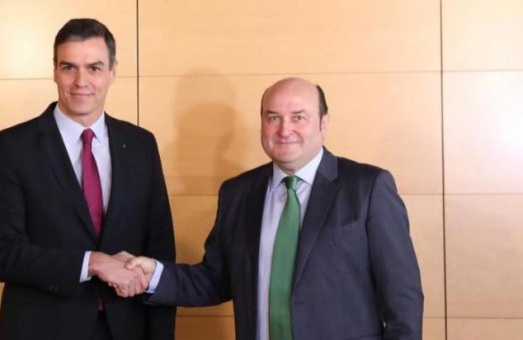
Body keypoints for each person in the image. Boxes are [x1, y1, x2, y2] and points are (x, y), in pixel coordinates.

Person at [127, 77, 424, 340]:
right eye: (273, 117)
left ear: (323, 123)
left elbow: (403, 300)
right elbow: (216, 280)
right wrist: (153, 273)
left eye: (299, 117)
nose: (285, 130)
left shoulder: (367, 188)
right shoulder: (237, 193)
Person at [0, 18, 176, 340]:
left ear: (113, 71)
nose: (80, 80)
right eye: (69, 67)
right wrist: (92, 263)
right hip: (43, 330)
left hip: (128, 328)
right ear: (54, 70)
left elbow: (160, 252)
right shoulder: (11, 148)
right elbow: (4, 255)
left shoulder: (142, 145)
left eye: (94, 68)